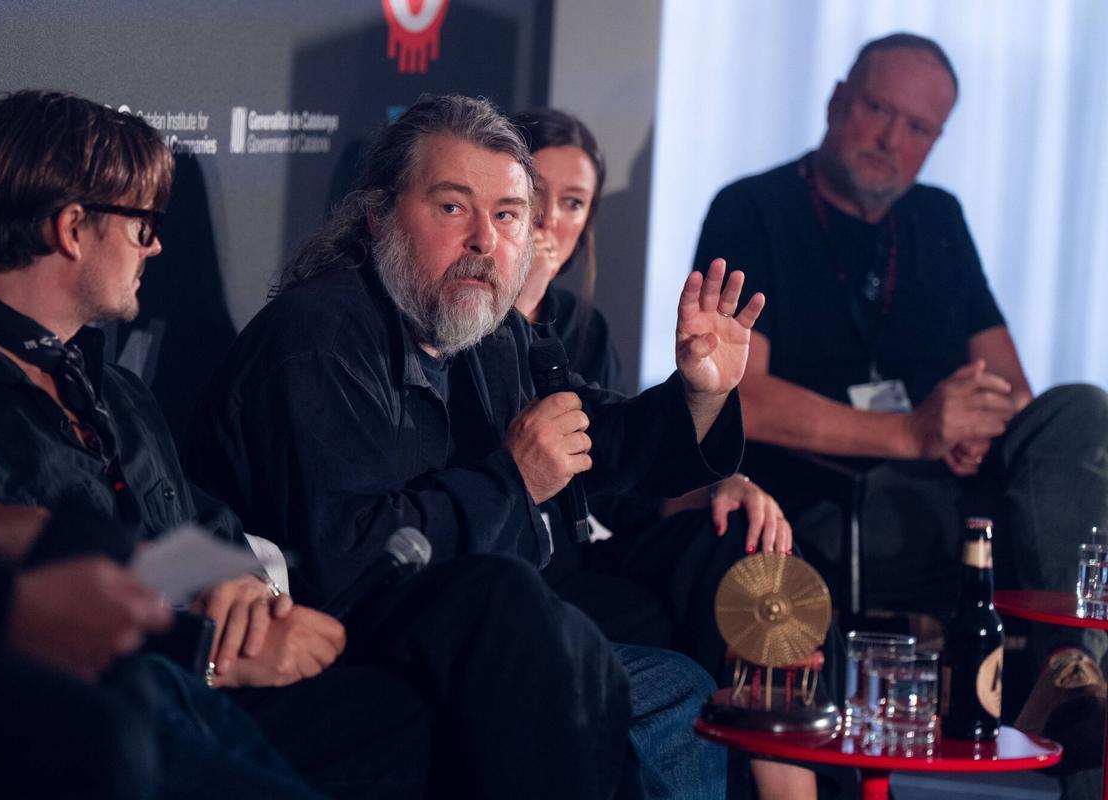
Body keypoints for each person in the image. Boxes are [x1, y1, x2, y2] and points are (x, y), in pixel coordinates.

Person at [0, 89, 637, 800]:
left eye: (505, 214)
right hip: (111, 711)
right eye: (140, 225)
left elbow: (207, 534)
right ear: (72, 230)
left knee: (517, 691)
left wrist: (250, 596)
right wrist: (212, 652)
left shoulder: (116, 394)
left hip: (230, 682)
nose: (157, 246)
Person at [186, 93, 767, 799]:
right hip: (345, 653)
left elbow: (598, 436)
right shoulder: (315, 340)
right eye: (453, 208)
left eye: (506, 216)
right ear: (378, 218)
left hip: (479, 633)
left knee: (676, 684)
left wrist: (699, 393)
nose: (485, 242)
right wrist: (512, 480)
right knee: (608, 672)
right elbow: (351, 566)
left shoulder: (488, 331)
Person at [693, 32, 1108, 793]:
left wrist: (973, 426)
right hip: (821, 501)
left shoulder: (938, 220)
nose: (893, 139)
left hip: (951, 500)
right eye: (880, 110)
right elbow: (736, 393)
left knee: (1081, 411)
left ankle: (1070, 669)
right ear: (837, 101)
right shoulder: (752, 208)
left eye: (919, 128)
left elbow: (1014, 391)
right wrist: (914, 434)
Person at [510, 106, 828, 800]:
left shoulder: (579, 325)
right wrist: (520, 292)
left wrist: (722, 485)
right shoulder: (464, 312)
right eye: (533, 198)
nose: (549, 224)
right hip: (520, 566)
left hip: (593, 544)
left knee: (746, 538)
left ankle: (790, 789)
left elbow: (623, 481)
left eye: (572, 204)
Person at [0, 482, 324, 799]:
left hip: (204, 663)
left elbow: (213, 524)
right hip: (133, 671)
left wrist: (253, 593)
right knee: (111, 733)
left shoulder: (122, 395)